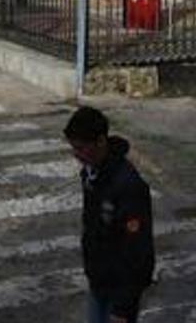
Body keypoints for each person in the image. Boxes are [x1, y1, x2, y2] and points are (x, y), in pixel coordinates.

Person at [64, 106, 155, 323]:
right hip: (99, 279)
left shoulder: (127, 186)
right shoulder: (92, 173)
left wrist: (123, 308)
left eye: (81, 148)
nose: (77, 155)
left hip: (120, 288)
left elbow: (138, 252)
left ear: (101, 141)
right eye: (73, 148)